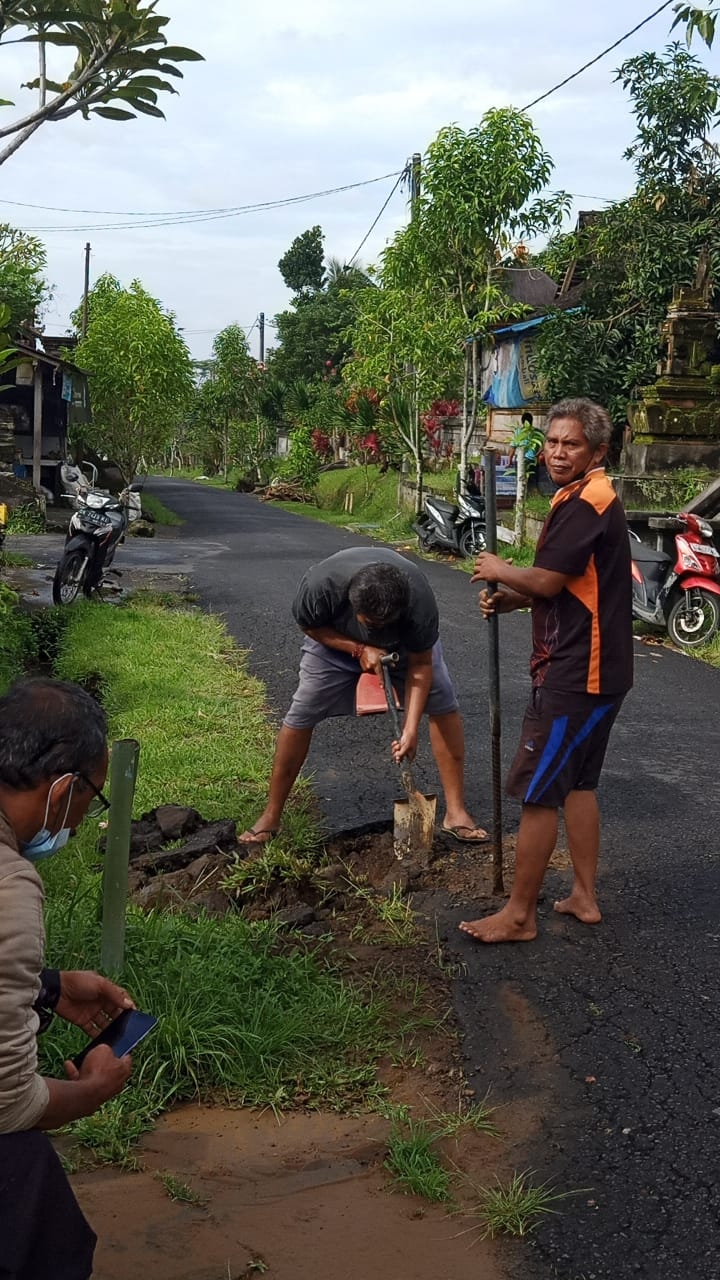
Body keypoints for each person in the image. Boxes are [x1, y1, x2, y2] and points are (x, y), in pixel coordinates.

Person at [460, 397, 633, 943]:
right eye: (553, 442)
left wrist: (500, 568)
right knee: (578, 783)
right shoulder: (589, 495)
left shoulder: (586, 503)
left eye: (571, 444)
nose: (558, 453)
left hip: (575, 674)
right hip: (603, 672)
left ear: (597, 451)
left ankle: (519, 915)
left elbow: (550, 580)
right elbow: (575, 585)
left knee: (539, 791)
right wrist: (516, 597)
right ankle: (583, 895)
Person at [0, 677, 136, 1279]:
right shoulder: (8, 885)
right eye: (92, 798)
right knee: (37, 1210)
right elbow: (7, 1105)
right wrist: (92, 1092)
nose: (80, 825)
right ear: (63, 788)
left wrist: (47, 987)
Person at [240, 547, 488, 847]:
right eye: (372, 625)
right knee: (301, 712)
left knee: (444, 703)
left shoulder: (420, 601)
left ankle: (456, 813)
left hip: (405, 650)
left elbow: (422, 666)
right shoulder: (322, 587)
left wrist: (410, 730)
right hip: (335, 643)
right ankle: (271, 815)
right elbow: (309, 625)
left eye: (387, 624)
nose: (379, 631)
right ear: (352, 604)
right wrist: (358, 649)